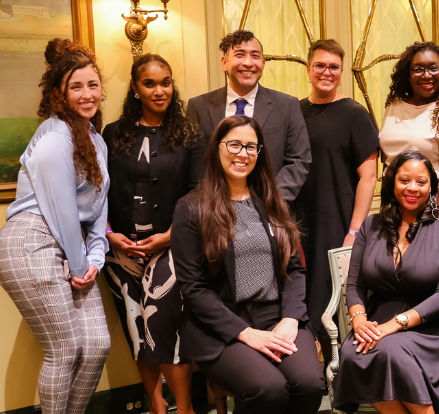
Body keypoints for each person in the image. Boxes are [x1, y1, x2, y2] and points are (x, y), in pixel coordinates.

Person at [171, 115, 324, 413]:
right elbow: (193, 288)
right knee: (267, 390)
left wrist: (291, 318)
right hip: (224, 325)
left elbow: (294, 269)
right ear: (217, 148)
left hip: (278, 316)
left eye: (251, 147)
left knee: (309, 383)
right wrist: (244, 332)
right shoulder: (191, 208)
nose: (243, 154)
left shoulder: (271, 201)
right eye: (234, 145)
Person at [0, 38, 111, 413]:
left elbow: (98, 205)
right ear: (58, 94)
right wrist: (81, 265)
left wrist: (97, 255)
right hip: (31, 241)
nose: (87, 94)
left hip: (71, 246)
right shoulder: (53, 138)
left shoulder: (96, 139)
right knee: (65, 349)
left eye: (92, 85)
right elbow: (62, 210)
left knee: (96, 345)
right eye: (76, 86)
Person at [102, 54, 204, 414]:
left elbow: (198, 194)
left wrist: (170, 236)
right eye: (149, 83)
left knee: (162, 327)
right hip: (121, 252)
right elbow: (99, 191)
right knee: (136, 328)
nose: (159, 90)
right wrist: (109, 234)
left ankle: (186, 408)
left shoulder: (190, 134)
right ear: (135, 88)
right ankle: (157, 406)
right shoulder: (113, 133)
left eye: (166, 82)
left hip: (170, 249)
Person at [332, 150, 439, 414]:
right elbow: (355, 285)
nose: (412, 188)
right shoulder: (371, 226)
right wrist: (359, 321)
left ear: (431, 187)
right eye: (405, 180)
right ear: (393, 183)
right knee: (352, 354)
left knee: (391, 351)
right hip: (376, 322)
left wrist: (395, 325)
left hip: (429, 327)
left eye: (421, 182)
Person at [294, 39, 379, 351]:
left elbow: (368, 176)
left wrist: (354, 231)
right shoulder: (295, 111)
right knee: (301, 291)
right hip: (299, 221)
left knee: (332, 294)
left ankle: (343, 374)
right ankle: (308, 366)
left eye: (333, 67)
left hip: (338, 219)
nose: (326, 72)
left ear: (341, 72)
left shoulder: (354, 114)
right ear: (308, 69)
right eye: (320, 65)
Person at [187, 29, 311, 203]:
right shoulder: (199, 106)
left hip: (271, 212)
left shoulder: (287, 105)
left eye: (255, 56)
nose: (248, 62)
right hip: (214, 212)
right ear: (224, 62)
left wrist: (272, 203)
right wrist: (207, 206)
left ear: (263, 63)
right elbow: (196, 168)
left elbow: (298, 160)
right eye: (239, 55)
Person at [380, 41, 439, 220]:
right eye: (418, 69)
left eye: (433, 68)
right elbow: (387, 158)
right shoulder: (394, 107)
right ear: (408, 73)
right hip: (393, 204)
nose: (426, 75)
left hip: (430, 205)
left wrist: (436, 217)